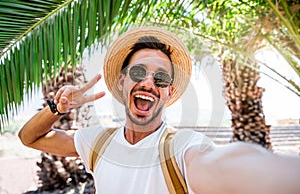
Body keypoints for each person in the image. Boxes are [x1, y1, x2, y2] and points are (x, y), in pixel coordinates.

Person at [19, 26, 300, 194]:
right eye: (138, 71)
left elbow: (223, 166)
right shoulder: (98, 143)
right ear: (122, 80)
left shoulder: (184, 146)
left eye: (161, 78)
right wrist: (56, 108)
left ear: (170, 92)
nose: (149, 83)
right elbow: (28, 138)